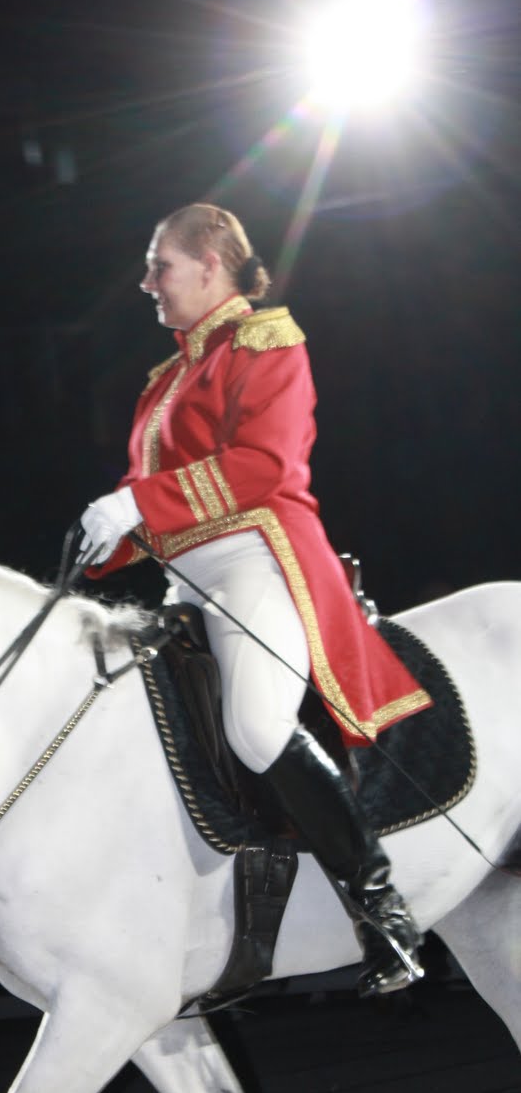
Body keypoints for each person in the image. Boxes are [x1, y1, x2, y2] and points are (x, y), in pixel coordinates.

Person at [79, 202, 431, 997]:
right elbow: (154, 497)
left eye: (158, 265)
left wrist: (139, 504)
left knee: (254, 724)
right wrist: (116, 533)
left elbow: (261, 466)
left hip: (253, 560)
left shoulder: (264, 342)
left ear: (210, 262)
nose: (146, 283)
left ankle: (379, 909)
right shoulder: (167, 376)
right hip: (185, 577)